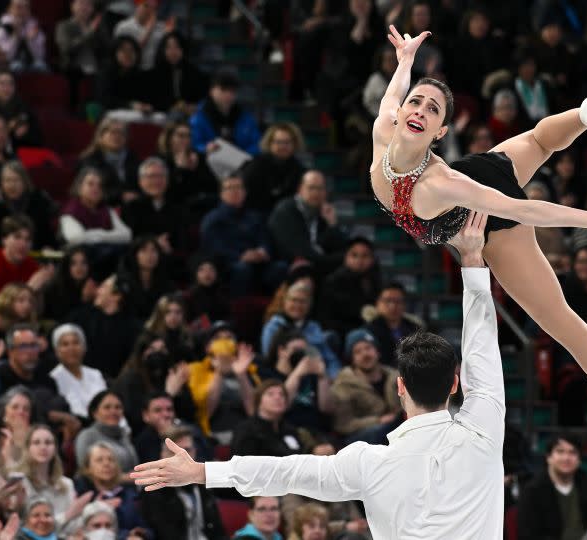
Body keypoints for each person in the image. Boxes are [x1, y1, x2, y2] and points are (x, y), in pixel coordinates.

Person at [364, 28, 587, 479]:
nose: (419, 110)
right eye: (415, 103)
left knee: (557, 319)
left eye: (432, 110)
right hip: (485, 167)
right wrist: (404, 60)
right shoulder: (384, 129)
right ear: (400, 115)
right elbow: (392, 95)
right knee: (537, 141)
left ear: (440, 133)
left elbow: (520, 207)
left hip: (488, 218)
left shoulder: (441, 183)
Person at [133, 212, 508, 537]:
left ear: (400, 387)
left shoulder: (369, 463)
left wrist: (201, 472)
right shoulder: (483, 429)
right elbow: (483, 347)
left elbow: (286, 472)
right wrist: (473, 261)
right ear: (455, 383)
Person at [139, 426, 226, 540]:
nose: (181, 459)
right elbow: (165, 535)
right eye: (173, 452)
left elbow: (218, 531)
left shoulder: (203, 486)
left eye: (187, 451)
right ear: (163, 455)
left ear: (194, 452)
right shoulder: (153, 491)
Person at [517, 433, 587, 539]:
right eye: (560, 452)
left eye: (572, 452)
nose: (566, 458)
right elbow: (528, 534)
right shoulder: (532, 491)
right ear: (548, 457)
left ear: (579, 460)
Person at [0, 0, 48, 72]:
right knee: (16, 66)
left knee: (41, 66)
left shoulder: (35, 28)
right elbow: (6, 58)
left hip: (31, 63)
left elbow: (40, 56)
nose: (23, 11)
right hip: (10, 64)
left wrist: (31, 40)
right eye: (18, 7)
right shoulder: (2, 29)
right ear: (10, 10)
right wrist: (15, 37)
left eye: (26, 7)